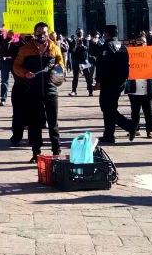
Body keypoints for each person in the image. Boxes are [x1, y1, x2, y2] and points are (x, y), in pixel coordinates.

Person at [12, 22, 65, 161]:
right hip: (33, 91)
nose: (42, 35)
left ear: (48, 33)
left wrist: (58, 69)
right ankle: (36, 152)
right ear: (34, 33)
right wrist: (25, 73)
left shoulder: (55, 48)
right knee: (34, 123)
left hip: (51, 89)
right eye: (39, 32)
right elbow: (16, 66)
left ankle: (56, 149)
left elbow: (61, 63)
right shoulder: (25, 49)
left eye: (45, 32)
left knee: (53, 122)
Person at [93, 25, 137, 144]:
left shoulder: (107, 46)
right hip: (120, 81)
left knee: (107, 108)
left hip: (110, 82)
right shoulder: (122, 45)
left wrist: (98, 81)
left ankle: (130, 125)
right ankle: (108, 135)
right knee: (111, 107)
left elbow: (104, 67)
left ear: (106, 33)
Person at [125, 36, 152, 139]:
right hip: (134, 88)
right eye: (139, 42)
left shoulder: (151, 55)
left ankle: (149, 130)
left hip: (147, 88)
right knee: (135, 112)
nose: (141, 44)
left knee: (148, 111)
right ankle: (135, 129)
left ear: (146, 43)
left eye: (143, 42)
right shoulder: (130, 55)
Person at [68, 29, 93, 97]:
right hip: (75, 60)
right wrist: (75, 46)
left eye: (80, 32)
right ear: (76, 33)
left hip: (83, 60)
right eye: (78, 32)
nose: (79, 33)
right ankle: (74, 91)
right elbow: (70, 51)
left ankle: (90, 91)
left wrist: (82, 45)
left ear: (83, 33)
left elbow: (87, 48)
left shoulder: (85, 40)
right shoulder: (73, 41)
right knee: (75, 76)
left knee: (87, 76)